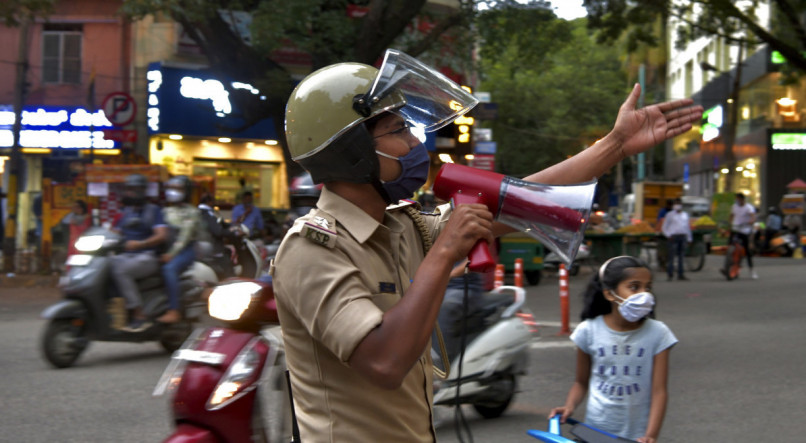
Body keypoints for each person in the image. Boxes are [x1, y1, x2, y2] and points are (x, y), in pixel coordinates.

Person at [269, 50, 701, 441]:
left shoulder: (400, 226)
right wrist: (443, 254)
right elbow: (383, 362)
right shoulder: (311, 249)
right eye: (398, 130)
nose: (416, 144)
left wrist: (615, 145)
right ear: (352, 152)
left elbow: (523, 198)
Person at [550, 256, 678, 442]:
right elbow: (581, 382)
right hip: (595, 433)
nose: (644, 294)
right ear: (609, 294)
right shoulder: (588, 330)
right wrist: (569, 406)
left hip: (636, 436)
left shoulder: (658, 333)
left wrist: (650, 435)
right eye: (634, 287)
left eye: (647, 287)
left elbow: (659, 391)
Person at [110, 174, 168, 331]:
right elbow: (115, 232)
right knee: (104, 266)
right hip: (126, 256)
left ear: (142, 190)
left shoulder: (153, 210)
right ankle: (115, 311)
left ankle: (139, 314)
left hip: (147, 256)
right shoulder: (127, 212)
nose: (130, 193)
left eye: (134, 189)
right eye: (129, 189)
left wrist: (141, 243)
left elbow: (162, 235)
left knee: (121, 271)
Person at [157, 175, 201, 324]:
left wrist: (171, 254)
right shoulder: (164, 211)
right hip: (166, 250)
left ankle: (174, 310)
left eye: (177, 189)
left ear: (186, 191)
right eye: (170, 188)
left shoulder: (191, 212)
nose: (172, 192)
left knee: (169, 269)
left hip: (185, 251)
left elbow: (184, 236)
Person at [722, 192, 757, 279]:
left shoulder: (748, 207)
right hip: (735, 229)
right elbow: (731, 216)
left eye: (738, 199)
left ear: (742, 199)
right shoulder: (734, 206)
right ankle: (727, 266)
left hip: (744, 230)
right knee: (729, 247)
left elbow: (753, 217)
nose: (737, 200)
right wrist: (729, 224)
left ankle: (751, 270)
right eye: (736, 199)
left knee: (748, 251)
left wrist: (751, 221)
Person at [661, 197, 692, 281]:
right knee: (671, 257)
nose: (677, 206)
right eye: (676, 204)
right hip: (673, 237)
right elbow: (664, 227)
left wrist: (689, 238)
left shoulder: (685, 215)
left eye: (679, 204)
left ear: (681, 205)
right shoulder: (670, 215)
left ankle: (680, 274)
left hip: (683, 237)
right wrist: (668, 235)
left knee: (681, 257)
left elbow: (687, 227)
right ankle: (670, 274)